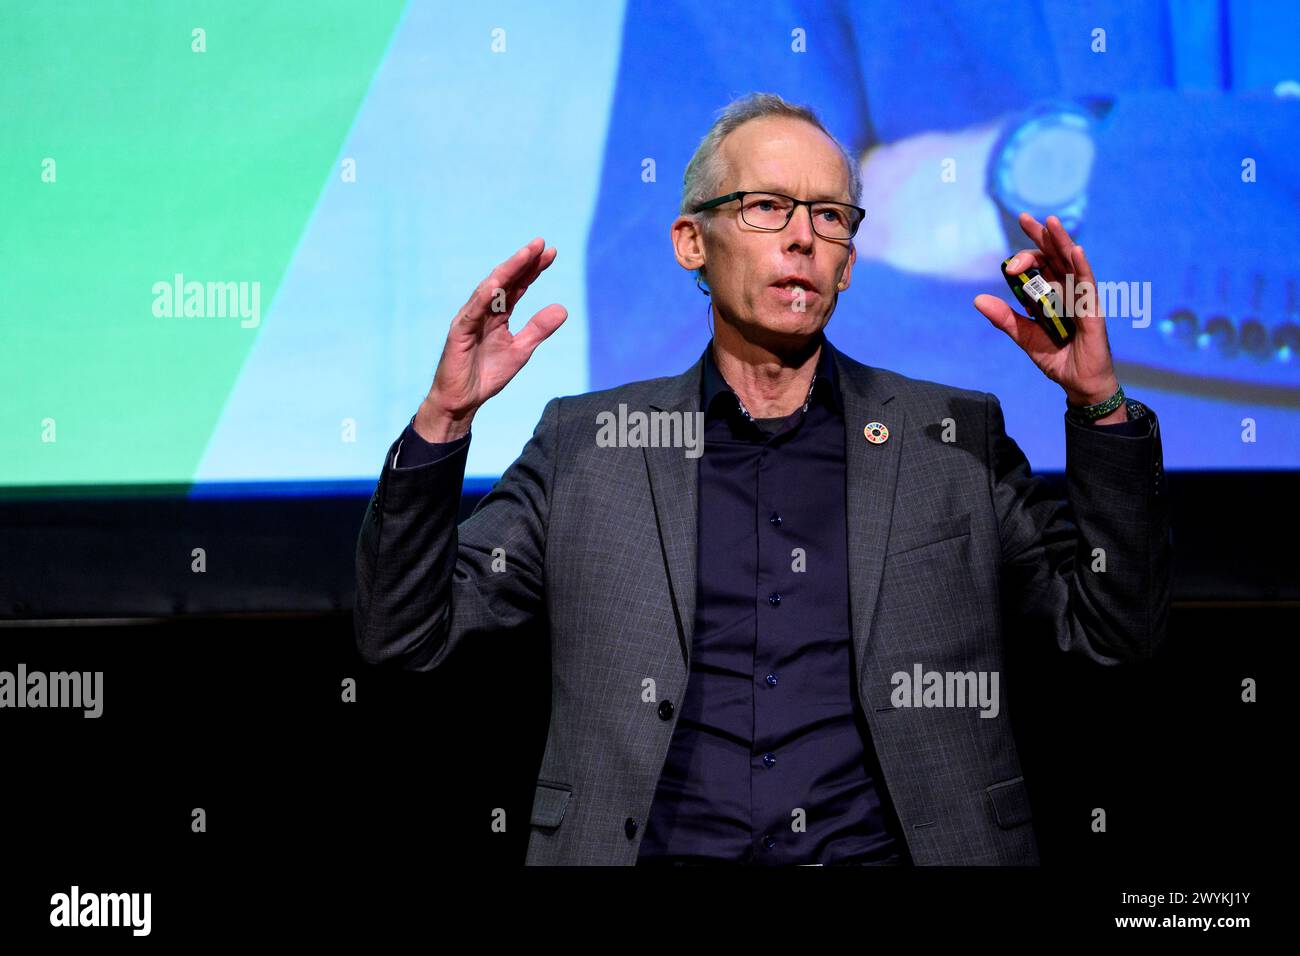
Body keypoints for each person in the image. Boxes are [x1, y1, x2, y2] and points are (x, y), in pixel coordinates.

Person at [354, 93, 1172, 866]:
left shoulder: (949, 437)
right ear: (691, 243)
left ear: (848, 263)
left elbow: (1113, 633)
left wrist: (1099, 406)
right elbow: (405, 632)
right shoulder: (591, 444)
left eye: (828, 216)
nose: (803, 238)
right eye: (766, 207)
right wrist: (445, 418)